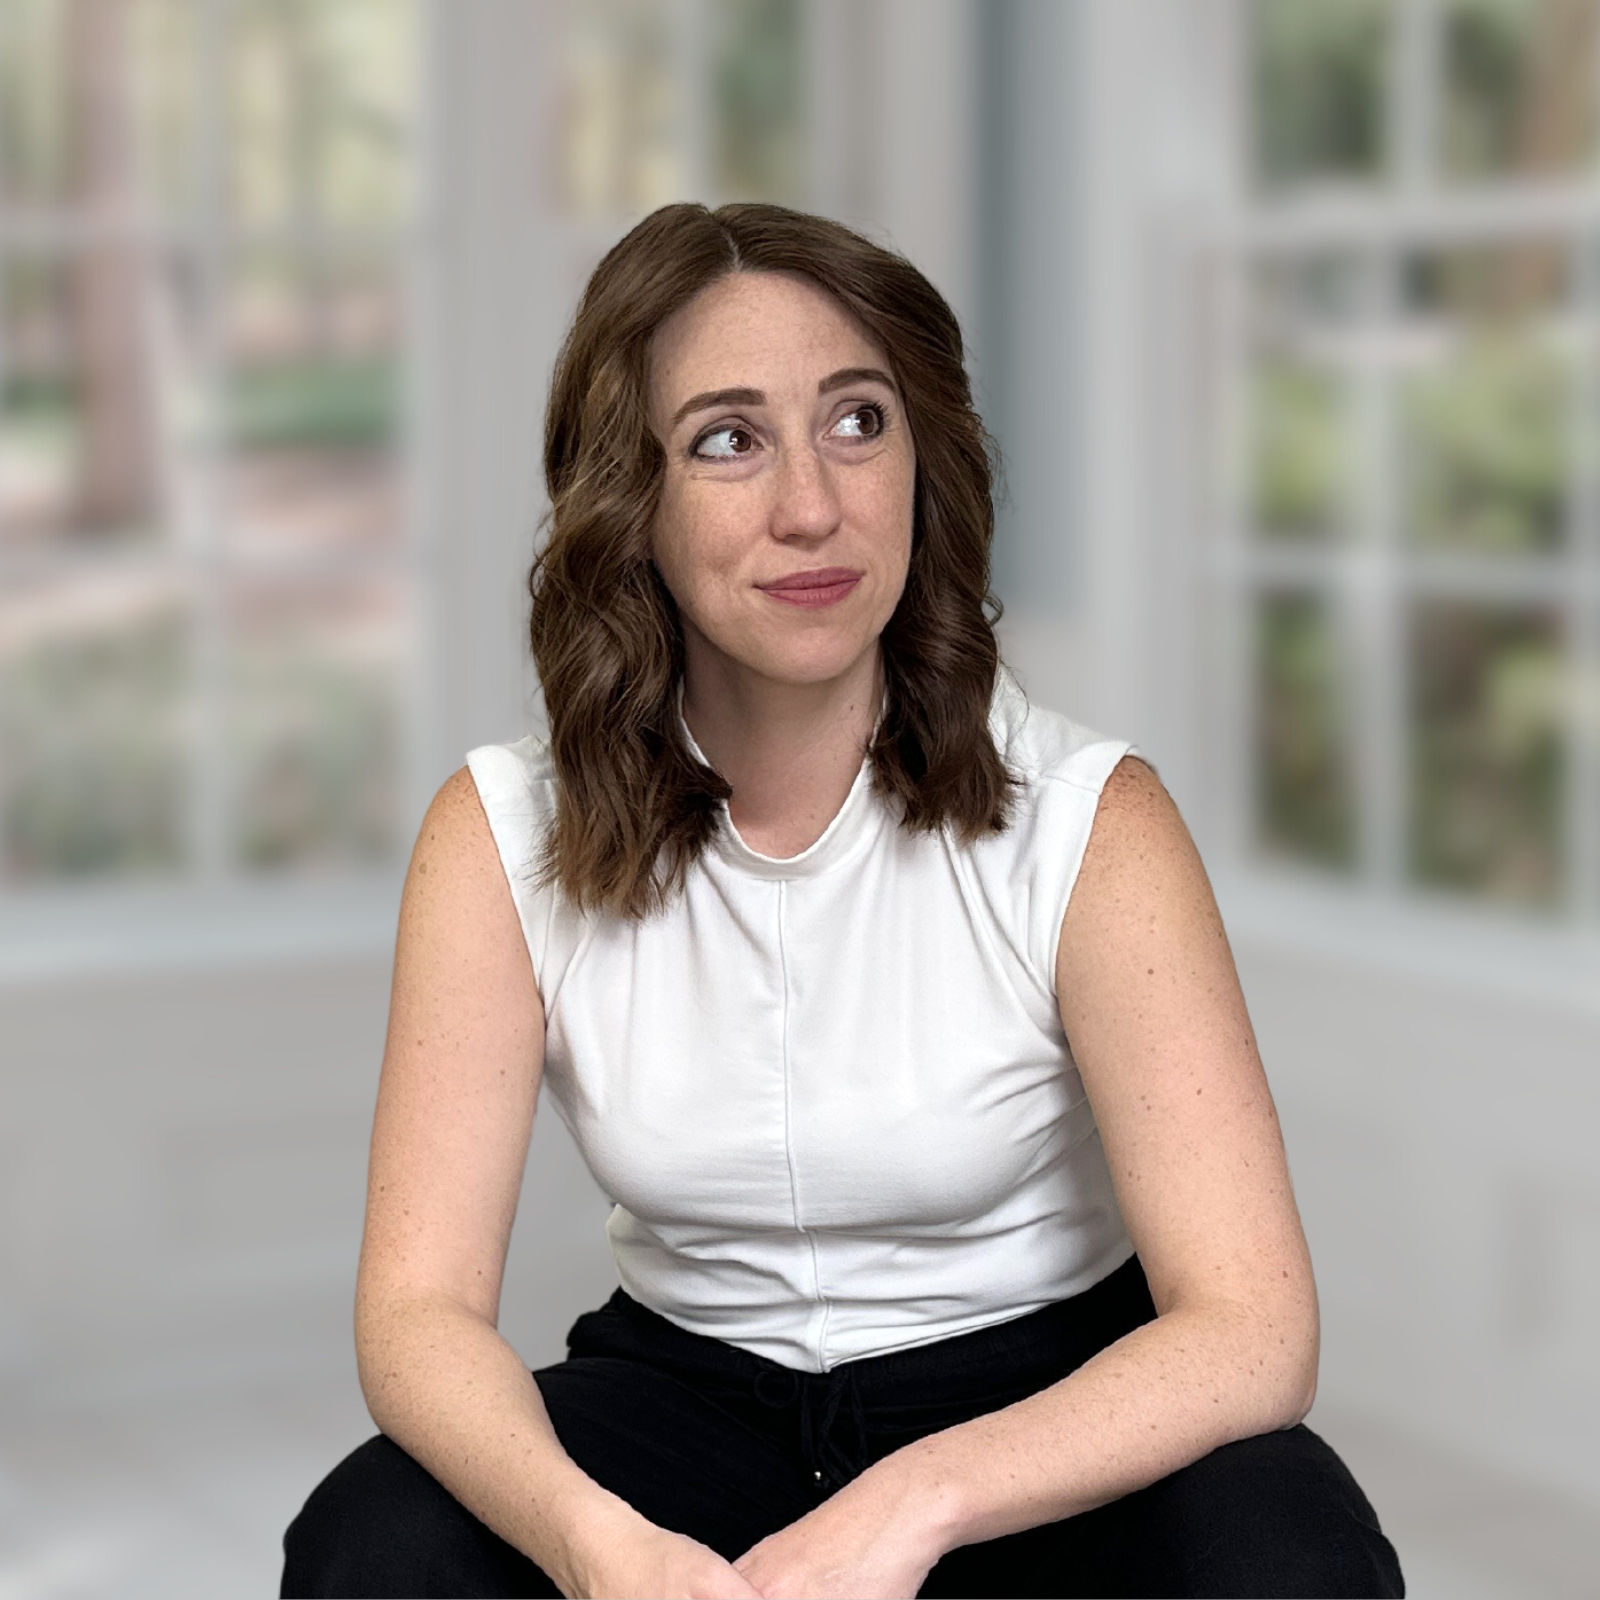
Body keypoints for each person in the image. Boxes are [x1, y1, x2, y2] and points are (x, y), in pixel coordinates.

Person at [280, 201, 1403, 1599]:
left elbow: (1251, 1327)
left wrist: (915, 1502)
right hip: (681, 1398)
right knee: (374, 1544)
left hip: (1032, 1404)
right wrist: (596, 1545)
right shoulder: (498, 838)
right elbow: (418, 1313)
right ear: (632, 501)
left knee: (1285, 1553)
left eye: (858, 421)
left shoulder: (1091, 822)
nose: (811, 504)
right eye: (728, 439)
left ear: (923, 462)